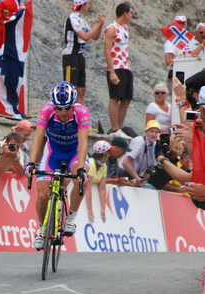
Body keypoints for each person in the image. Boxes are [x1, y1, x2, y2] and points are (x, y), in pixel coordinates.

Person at [25, 82, 89, 250]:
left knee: (82, 179)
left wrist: (81, 168)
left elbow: (83, 142)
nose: (62, 112)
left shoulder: (81, 112)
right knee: (42, 195)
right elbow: (38, 138)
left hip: (74, 153)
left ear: (73, 105)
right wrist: (31, 163)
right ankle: (41, 229)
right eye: (59, 108)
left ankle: (70, 219)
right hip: (53, 153)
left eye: (67, 108)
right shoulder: (46, 110)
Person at [62, 0, 105, 105]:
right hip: (70, 55)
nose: (89, 6)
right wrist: (98, 23)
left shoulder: (83, 20)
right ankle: (66, 112)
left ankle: (79, 114)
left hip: (80, 55)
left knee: (81, 89)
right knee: (71, 88)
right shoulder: (73, 18)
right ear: (82, 5)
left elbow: (95, 37)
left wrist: (99, 26)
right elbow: (85, 36)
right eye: (87, 4)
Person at [104, 2, 133, 140]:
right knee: (116, 96)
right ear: (124, 13)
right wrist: (111, 71)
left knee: (127, 97)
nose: (131, 15)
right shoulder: (111, 28)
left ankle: (119, 127)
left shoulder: (125, 28)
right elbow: (107, 49)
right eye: (130, 12)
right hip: (116, 65)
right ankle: (114, 127)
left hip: (126, 65)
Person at [118, 120, 160, 185]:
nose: (154, 134)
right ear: (146, 132)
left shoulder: (154, 145)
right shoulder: (139, 141)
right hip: (123, 173)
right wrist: (138, 179)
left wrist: (143, 183)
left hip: (133, 175)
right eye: (151, 131)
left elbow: (150, 168)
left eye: (156, 132)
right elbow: (126, 162)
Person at [85, 140, 114, 223]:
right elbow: (87, 188)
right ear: (104, 154)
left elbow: (102, 189)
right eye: (109, 153)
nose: (110, 155)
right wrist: (90, 210)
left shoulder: (103, 165)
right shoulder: (91, 164)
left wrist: (103, 209)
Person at [163, 16, 192, 82]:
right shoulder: (170, 42)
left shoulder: (189, 40)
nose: (181, 25)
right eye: (179, 23)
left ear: (186, 25)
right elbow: (168, 61)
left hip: (189, 72)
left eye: (183, 23)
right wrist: (186, 63)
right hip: (176, 74)